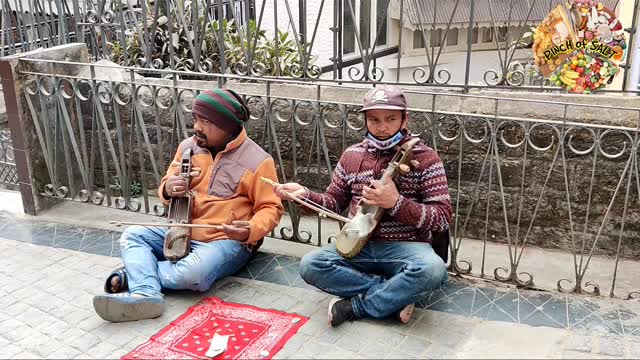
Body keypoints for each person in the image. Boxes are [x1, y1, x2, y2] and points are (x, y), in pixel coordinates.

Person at [93, 88, 284, 322]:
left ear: (227, 126)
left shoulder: (258, 160)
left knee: (194, 275)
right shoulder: (187, 148)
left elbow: (270, 208)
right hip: (181, 229)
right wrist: (167, 188)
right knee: (133, 234)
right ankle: (147, 295)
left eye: (205, 121)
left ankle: (133, 277)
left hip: (224, 241)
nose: (197, 127)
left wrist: (250, 230)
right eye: (195, 119)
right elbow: (166, 185)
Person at [274, 85, 452, 327]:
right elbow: (333, 202)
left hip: (407, 249)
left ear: (404, 118)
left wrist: (395, 203)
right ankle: (392, 294)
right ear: (365, 120)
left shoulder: (426, 157)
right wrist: (303, 195)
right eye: (374, 119)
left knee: (433, 270)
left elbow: (442, 217)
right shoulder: (351, 155)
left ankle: (355, 306)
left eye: (391, 119)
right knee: (311, 265)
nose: (382, 127)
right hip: (359, 247)